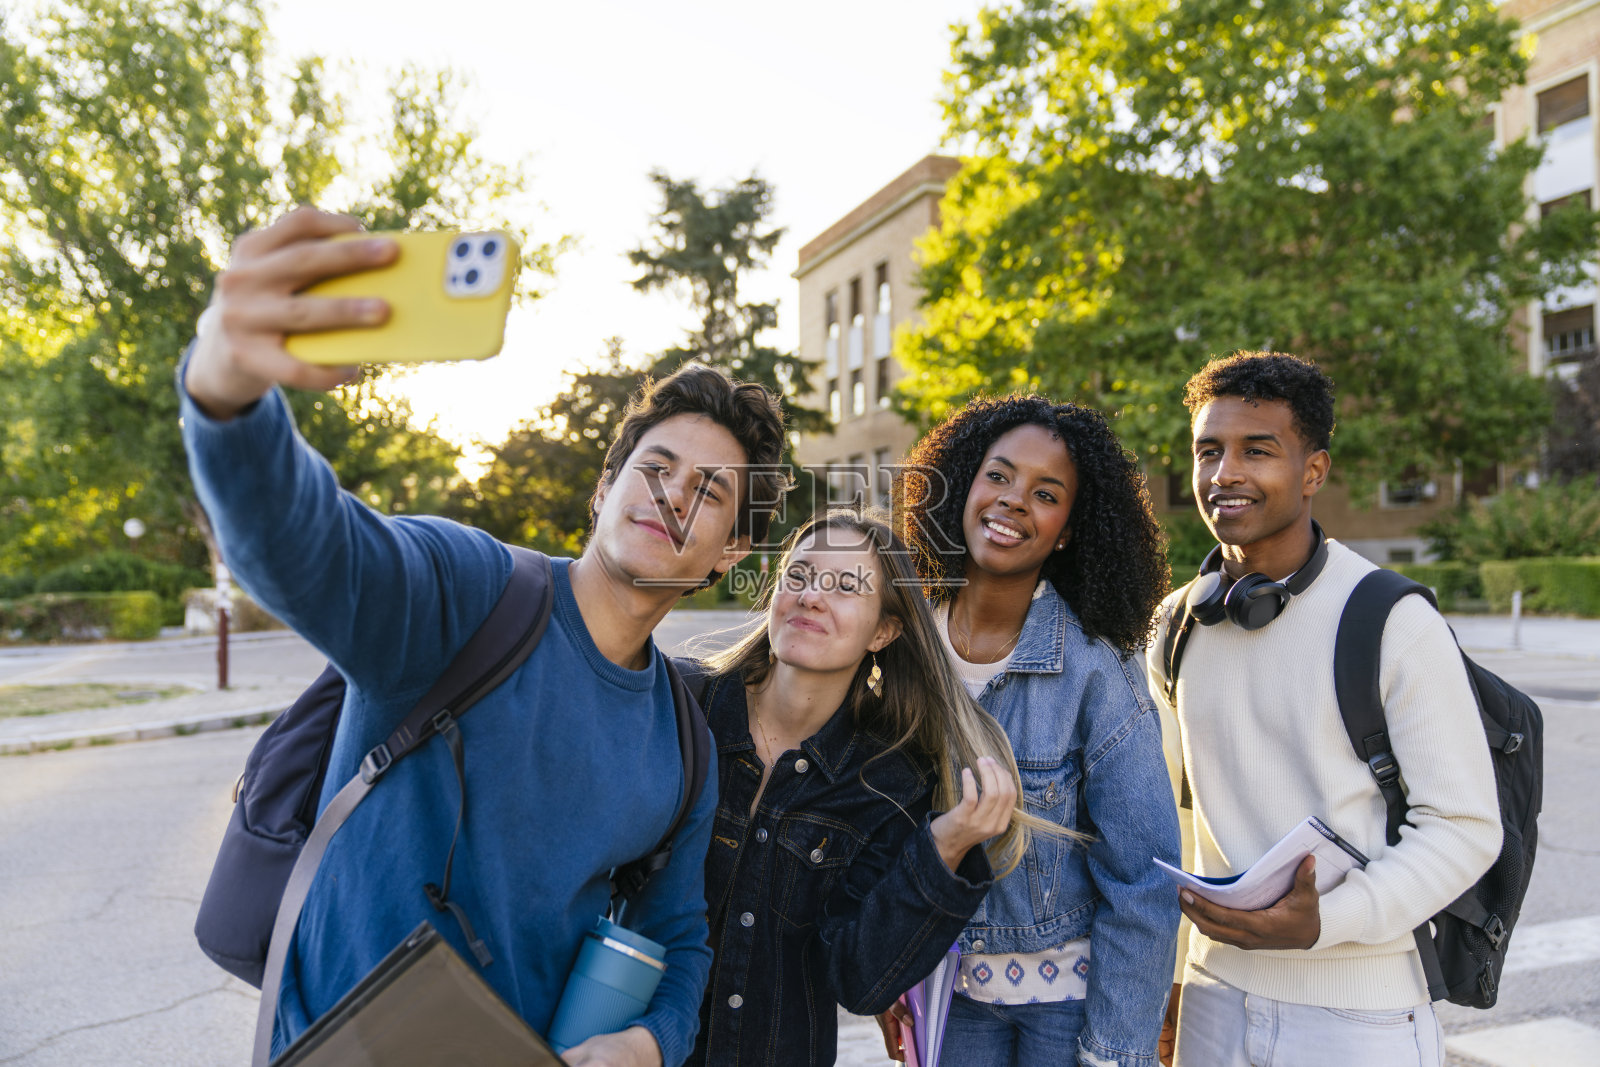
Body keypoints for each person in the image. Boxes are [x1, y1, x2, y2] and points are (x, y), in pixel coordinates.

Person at [179, 207, 790, 1067]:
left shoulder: (683, 743)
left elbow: (679, 935)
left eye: (711, 491)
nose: (672, 496)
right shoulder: (471, 592)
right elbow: (313, 550)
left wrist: (652, 1042)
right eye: (655, 469)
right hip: (340, 1049)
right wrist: (228, 395)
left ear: (729, 551)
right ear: (605, 487)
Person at [1146, 351, 1502, 1066]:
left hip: (1359, 1014)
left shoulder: (1391, 620)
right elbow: (1178, 822)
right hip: (1212, 998)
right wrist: (1173, 980)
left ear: (1314, 470)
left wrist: (1327, 921)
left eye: (1258, 450)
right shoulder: (1175, 626)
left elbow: (1464, 827)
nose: (1225, 474)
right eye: (1208, 450)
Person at [684, 508, 1044, 1067]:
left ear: (884, 631)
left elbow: (858, 979)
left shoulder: (889, 782)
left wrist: (944, 847)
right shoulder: (686, 707)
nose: (810, 597)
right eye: (798, 577)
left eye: (846, 587)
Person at [885, 395, 1182, 1067]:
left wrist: (1114, 1052)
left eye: (1045, 493)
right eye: (998, 475)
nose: (1013, 499)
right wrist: (889, 969)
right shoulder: (900, 639)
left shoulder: (1097, 664)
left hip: (1065, 1009)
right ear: (963, 485)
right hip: (945, 996)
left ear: (1069, 529)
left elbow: (1142, 877)